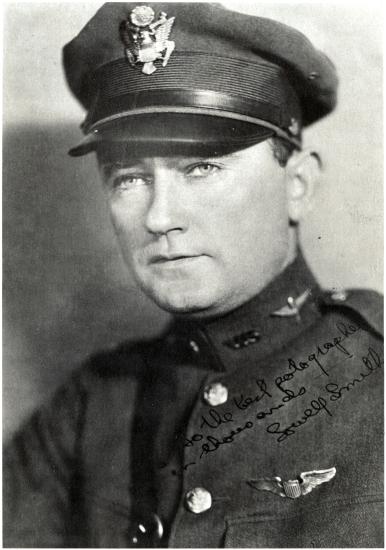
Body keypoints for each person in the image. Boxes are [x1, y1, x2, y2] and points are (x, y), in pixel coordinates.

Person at [3, 2, 383, 548]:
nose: (159, 218)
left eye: (201, 168)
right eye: (129, 177)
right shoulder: (92, 407)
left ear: (297, 183)